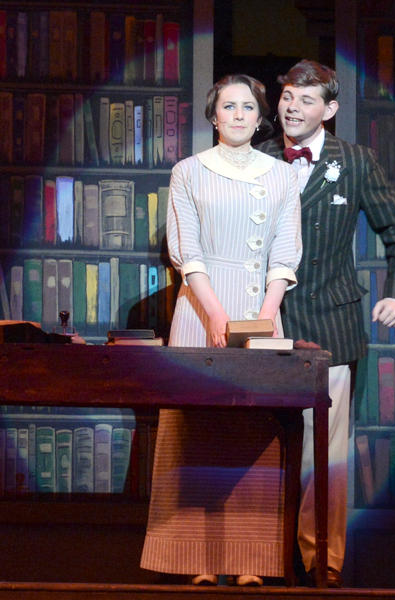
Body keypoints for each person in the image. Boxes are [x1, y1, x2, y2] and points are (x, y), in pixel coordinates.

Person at [256, 60, 395, 588]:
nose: (292, 108)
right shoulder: (255, 157)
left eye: (305, 100)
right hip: (265, 321)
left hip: (333, 323)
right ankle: (259, 559)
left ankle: (321, 561)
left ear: (330, 109)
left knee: (328, 452)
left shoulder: (356, 161)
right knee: (260, 446)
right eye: (287, 98)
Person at [140, 74, 302, 587]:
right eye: (228, 106)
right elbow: (187, 250)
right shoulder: (188, 171)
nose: (238, 115)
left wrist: (269, 310)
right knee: (197, 429)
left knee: (253, 431)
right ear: (214, 116)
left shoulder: (281, 175)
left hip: (260, 307)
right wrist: (212, 311)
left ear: (260, 118)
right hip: (201, 305)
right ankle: (196, 560)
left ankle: (250, 562)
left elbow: (284, 251)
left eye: (248, 107)